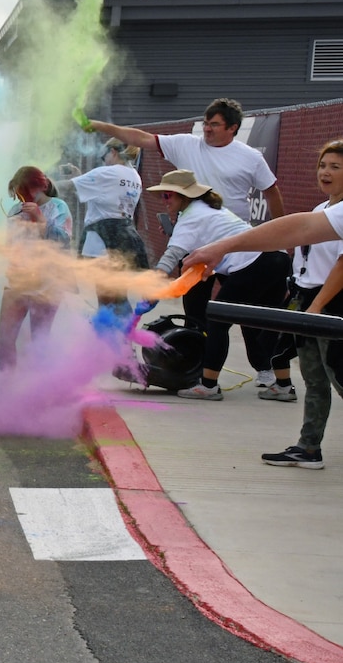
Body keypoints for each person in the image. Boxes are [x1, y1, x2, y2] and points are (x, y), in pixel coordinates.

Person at [146, 169, 293, 400]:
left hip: (254, 263)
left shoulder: (191, 216)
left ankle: (209, 385)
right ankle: (282, 385)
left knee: (217, 321)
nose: (164, 202)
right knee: (263, 322)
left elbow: (172, 255)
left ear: (184, 196)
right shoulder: (212, 209)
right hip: (278, 258)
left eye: (168, 196)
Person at [252, 140, 343, 468]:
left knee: (339, 376)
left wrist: (317, 307)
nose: (326, 172)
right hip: (307, 298)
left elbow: (342, 266)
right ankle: (308, 448)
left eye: (335, 166)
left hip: (331, 302)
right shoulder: (321, 211)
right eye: (323, 165)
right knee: (314, 379)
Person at [89, 99, 284, 225]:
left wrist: (280, 232)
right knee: (194, 290)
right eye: (205, 123)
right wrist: (99, 125)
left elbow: (271, 192)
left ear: (233, 128)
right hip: (193, 232)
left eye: (214, 125)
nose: (207, 129)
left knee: (237, 289)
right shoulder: (185, 144)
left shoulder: (251, 157)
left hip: (233, 233)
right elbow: (141, 138)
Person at [0, 166, 72, 371]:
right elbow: (11, 244)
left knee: (39, 341)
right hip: (18, 282)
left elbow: (63, 241)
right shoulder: (15, 211)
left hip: (47, 284)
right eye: (18, 195)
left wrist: (40, 219)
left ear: (42, 187)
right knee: (5, 339)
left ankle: (37, 388)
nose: (23, 199)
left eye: (26, 192)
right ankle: (7, 384)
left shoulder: (58, 206)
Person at [69, 141, 149, 306]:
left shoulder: (106, 173)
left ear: (113, 152)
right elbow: (106, 190)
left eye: (103, 156)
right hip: (125, 238)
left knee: (105, 297)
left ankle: (106, 330)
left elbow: (68, 187)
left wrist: (41, 185)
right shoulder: (134, 176)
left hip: (101, 240)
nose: (103, 161)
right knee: (120, 295)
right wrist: (80, 175)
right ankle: (123, 330)